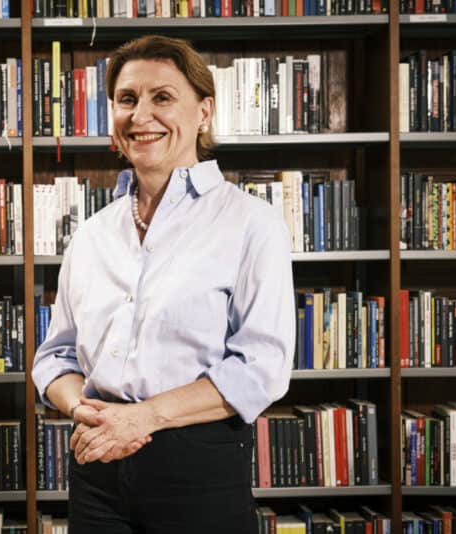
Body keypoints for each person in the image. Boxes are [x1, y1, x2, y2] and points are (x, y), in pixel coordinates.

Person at [32, 35, 295, 533]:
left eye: (163, 97)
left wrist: (144, 418)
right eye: (127, 99)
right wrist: (86, 412)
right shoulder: (91, 234)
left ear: (204, 112)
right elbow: (55, 359)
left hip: (198, 466)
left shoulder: (250, 223)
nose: (141, 115)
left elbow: (262, 367)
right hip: (96, 465)